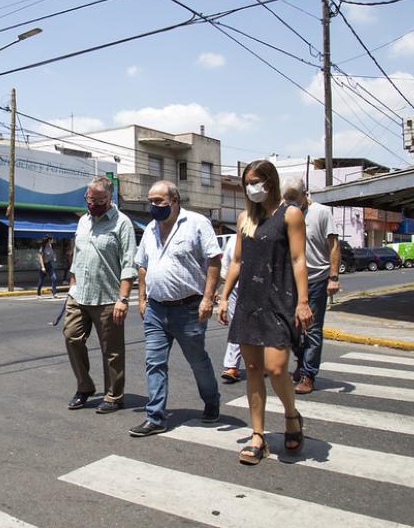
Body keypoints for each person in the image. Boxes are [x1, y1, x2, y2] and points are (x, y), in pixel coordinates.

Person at [218, 160, 313, 465]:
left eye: (256, 181)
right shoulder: (245, 217)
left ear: (270, 181)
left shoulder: (291, 214)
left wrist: (302, 301)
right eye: (247, 182)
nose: (251, 187)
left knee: (276, 368)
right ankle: (258, 435)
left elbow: (299, 259)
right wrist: (223, 298)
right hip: (249, 302)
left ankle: (291, 415)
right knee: (254, 370)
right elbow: (236, 261)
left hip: (280, 300)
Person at [129, 180, 222, 437]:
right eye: (150, 201)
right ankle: (155, 417)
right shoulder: (149, 229)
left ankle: (211, 400)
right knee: (154, 363)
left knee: (197, 360)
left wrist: (207, 299)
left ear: (175, 201)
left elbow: (214, 260)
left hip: (188, 308)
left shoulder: (196, 223)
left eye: (158, 201)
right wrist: (142, 298)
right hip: (156, 309)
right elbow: (143, 265)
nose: (153, 206)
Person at [63, 176, 136, 414]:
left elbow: (128, 264)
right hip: (79, 294)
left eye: (97, 199)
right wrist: (71, 286)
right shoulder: (83, 221)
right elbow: (78, 257)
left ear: (109, 198)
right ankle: (85, 387)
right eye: (88, 198)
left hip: (107, 297)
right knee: (72, 337)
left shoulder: (122, 223)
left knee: (111, 351)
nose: (91, 203)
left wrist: (123, 299)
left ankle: (114, 395)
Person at [281, 176, 341, 394]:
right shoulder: (285, 212)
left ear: (305, 193)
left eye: (294, 198)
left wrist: (333, 277)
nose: (290, 203)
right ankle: (301, 362)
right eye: (286, 199)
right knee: (291, 328)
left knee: (313, 329)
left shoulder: (322, 212)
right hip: (292, 280)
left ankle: (308, 374)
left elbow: (333, 245)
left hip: (317, 278)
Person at [219, 234, 242, 384]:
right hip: (236, 289)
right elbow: (227, 264)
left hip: (263, 290)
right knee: (237, 326)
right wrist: (224, 296)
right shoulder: (234, 240)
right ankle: (232, 366)